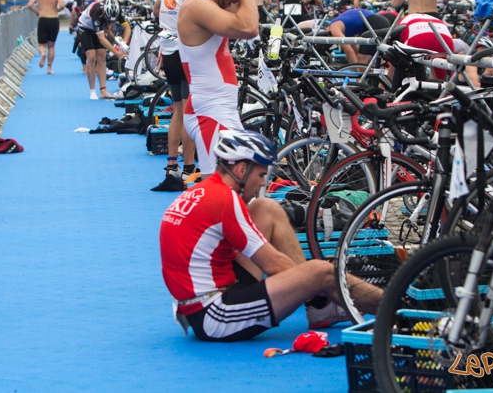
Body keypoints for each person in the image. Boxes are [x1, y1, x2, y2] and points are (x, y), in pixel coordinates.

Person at [160, 129, 383, 341]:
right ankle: (395, 306)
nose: (263, 183)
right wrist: (318, 284)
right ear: (240, 171)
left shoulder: (205, 190)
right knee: (321, 272)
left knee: (266, 209)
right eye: (260, 174)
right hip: (214, 315)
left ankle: (321, 309)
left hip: (199, 301)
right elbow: (274, 265)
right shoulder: (226, 200)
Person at [177, 0, 272, 177]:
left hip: (221, 109)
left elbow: (247, 14)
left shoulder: (213, 1)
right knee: (220, 196)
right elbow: (249, 28)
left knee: (247, 185)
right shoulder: (196, 6)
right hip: (210, 111)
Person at [150, 0, 212, 192]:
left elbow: (157, 10)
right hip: (184, 51)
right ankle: (188, 167)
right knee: (189, 111)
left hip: (168, 53)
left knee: (177, 110)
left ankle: (171, 166)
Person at [77, 0, 129, 99]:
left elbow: (127, 28)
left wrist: (123, 44)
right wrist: (116, 52)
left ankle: (103, 91)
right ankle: (92, 91)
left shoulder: (118, 12)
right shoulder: (97, 12)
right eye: (108, 18)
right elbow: (101, 39)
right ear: (104, 10)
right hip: (85, 28)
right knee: (91, 57)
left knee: (102, 57)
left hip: (101, 26)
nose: (110, 21)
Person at [27, 0, 65, 74]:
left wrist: (37, 12)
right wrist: (57, 9)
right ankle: (49, 68)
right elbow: (62, 5)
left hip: (43, 18)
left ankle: (43, 53)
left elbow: (30, 4)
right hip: (53, 19)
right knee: (51, 46)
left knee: (41, 44)